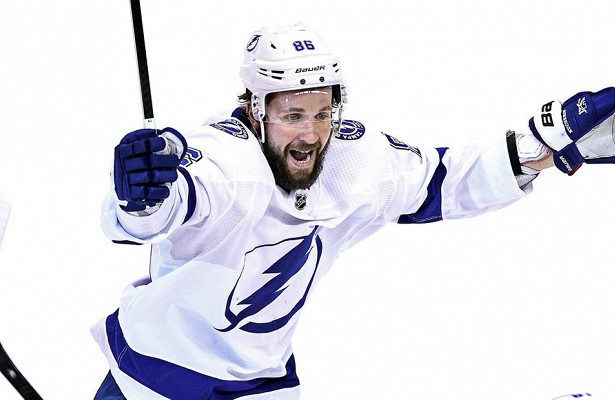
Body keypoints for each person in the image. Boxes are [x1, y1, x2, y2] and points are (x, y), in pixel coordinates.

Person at [92, 22, 615, 399]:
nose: (310, 134)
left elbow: (442, 180)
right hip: (152, 378)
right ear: (254, 110)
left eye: (322, 113)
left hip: (258, 383)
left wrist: (544, 144)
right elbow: (171, 204)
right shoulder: (227, 159)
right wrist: (144, 195)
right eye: (292, 114)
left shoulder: (351, 158)